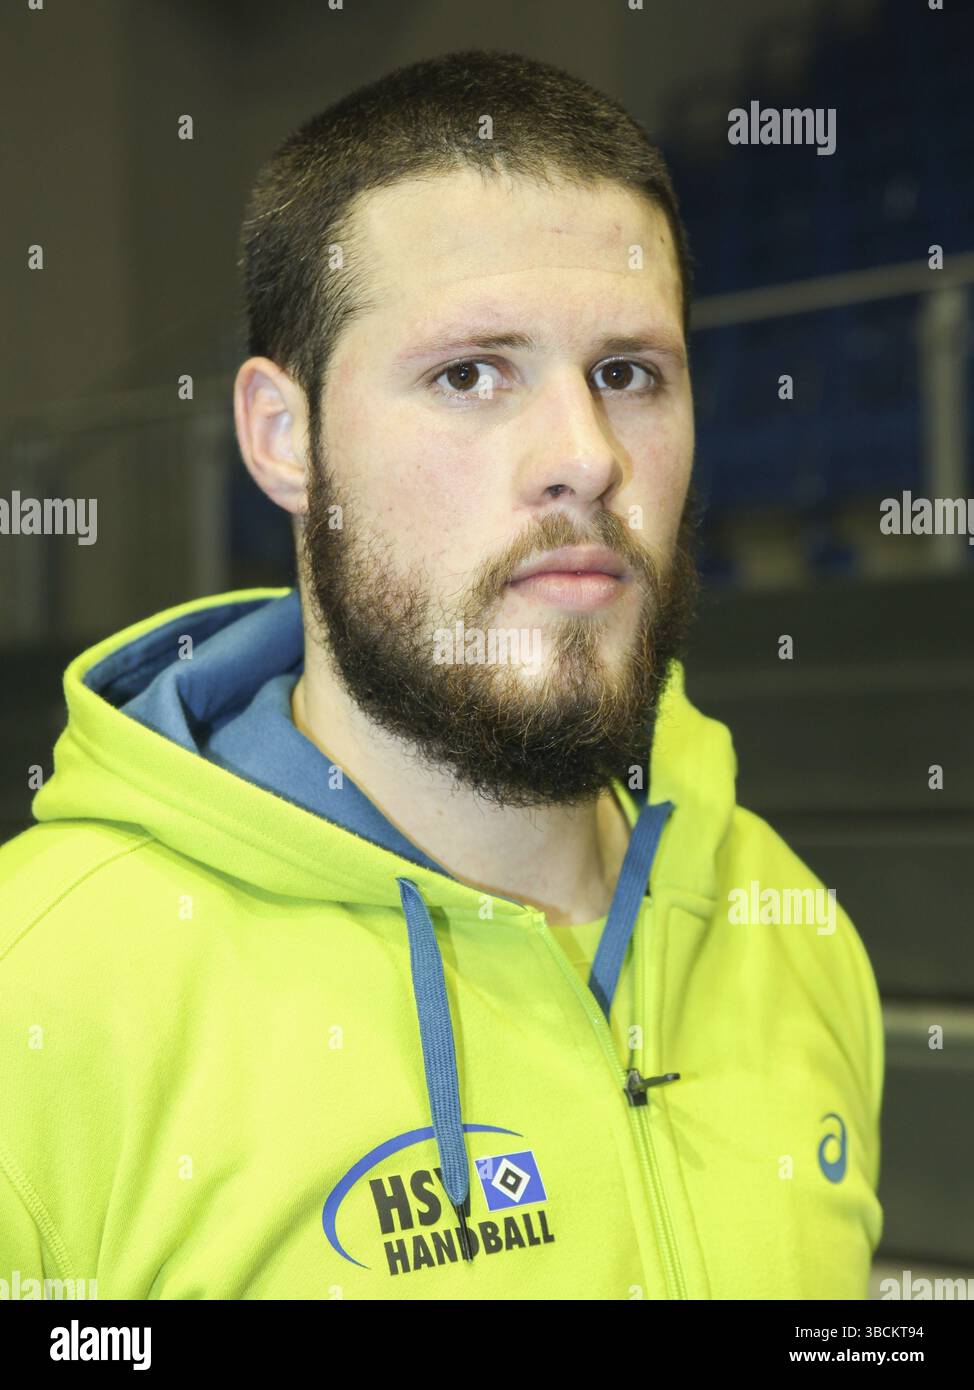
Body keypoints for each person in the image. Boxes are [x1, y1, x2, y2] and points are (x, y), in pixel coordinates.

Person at [0, 49, 882, 1299]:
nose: (583, 456)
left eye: (626, 374)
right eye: (470, 373)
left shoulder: (788, 927)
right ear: (281, 437)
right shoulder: (35, 995)